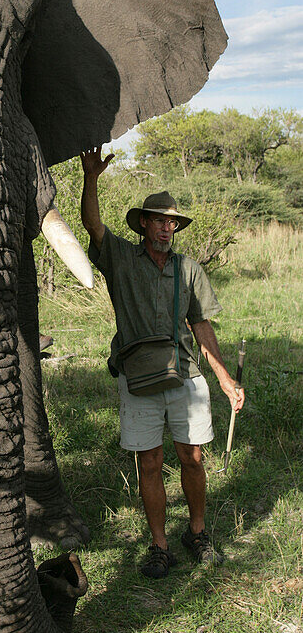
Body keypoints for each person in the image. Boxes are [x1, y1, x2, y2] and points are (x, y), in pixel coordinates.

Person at [80, 146, 245, 578]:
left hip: (185, 374)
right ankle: (159, 545)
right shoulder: (120, 258)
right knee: (149, 463)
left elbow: (202, 325)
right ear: (143, 225)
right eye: (159, 220)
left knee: (192, 458)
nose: (167, 228)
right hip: (138, 377)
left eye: (172, 222)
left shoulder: (189, 270)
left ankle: (197, 532)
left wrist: (224, 378)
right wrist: (91, 179)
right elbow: (92, 225)